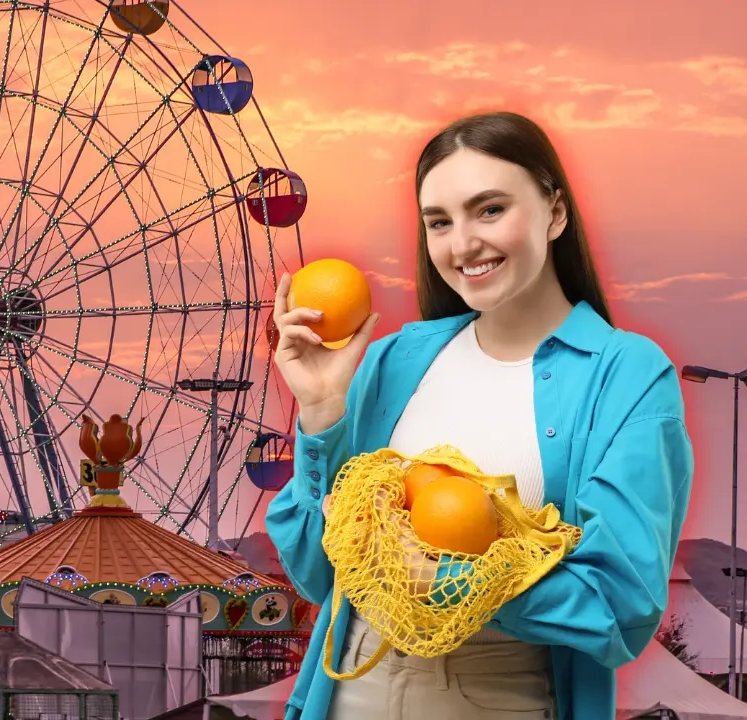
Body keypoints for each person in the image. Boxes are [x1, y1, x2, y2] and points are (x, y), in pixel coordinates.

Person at [265, 111, 694, 720]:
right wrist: (321, 412)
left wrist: (442, 583)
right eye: (439, 221)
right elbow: (315, 572)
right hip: (347, 693)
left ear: (555, 211)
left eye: (490, 209)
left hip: (498, 696)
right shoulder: (391, 362)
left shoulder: (624, 376)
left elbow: (620, 604)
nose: (462, 244)